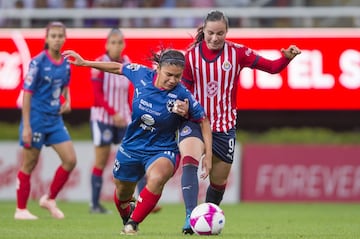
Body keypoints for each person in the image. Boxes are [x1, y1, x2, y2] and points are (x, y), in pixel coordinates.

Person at [63, 48, 213, 235]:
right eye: (169, 74)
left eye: (177, 76)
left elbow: (203, 120)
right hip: (132, 147)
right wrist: (85, 62)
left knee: (157, 178)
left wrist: (208, 152)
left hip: (163, 148)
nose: (173, 80)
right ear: (158, 68)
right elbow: (118, 68)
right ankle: (127, 216)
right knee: (122, 192)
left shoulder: (182, 95)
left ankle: (132, 224)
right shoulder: (141, 74)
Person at [178, 10, 301, 234]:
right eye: (210, 33)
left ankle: (206, 220)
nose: (215, 38)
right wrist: (182, 106)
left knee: (218, 182)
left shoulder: (238, 53)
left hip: (224, 127)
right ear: (203, 31)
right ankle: (189, 216)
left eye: (220, 33)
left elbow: (272, 68)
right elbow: (184, 89)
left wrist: (287, 58)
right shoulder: (190, 56)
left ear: (227, 32)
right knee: (189, 160)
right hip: (195, 121)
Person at [14, 21, 77, 220]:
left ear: (65, 38)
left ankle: (49, 198)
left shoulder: (66, 62)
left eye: (60, 36)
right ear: (47, 39)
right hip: (36, 119)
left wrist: (68, 99)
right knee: (29, 164)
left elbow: (65, 85)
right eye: (54, 36)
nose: (57, 39)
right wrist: (27, 126)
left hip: (55, 119)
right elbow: (27, 94)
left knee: (70, 160)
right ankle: (21, 209)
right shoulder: (38, 62)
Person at [89, 28, 132, 214]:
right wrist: (113, 112)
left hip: (124, 117)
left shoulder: (128, 63)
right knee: (102, 160)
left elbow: (129, 92)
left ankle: (141, 200)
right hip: (103, 118)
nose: (116, 46)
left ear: (123, 44)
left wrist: (130, 112)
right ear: (107, 44)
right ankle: (95, 204)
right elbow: (97, 95)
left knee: (134, 157)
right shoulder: (99, 63)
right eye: (113, 42)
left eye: (119, 42)